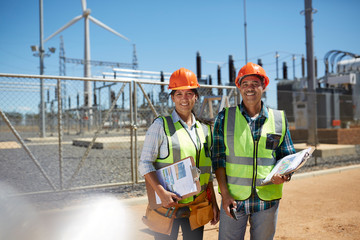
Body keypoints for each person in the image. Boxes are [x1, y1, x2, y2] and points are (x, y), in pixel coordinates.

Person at [212, 62, 296, 240]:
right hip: (234, 200)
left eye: (255, 84)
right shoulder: (225, 117)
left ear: (264, 86)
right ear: (239, 87)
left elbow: (288, 156)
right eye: (245, 84)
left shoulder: (279, 119)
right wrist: (225, 195)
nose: (250, 88)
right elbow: (218, 159)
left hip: (267, 200)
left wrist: (285, 175)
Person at [139, 67, 220, 240]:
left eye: (189, 93)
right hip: (168, 206)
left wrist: (213, 202)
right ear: (172, 97)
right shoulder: (160, 126)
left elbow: (207, 172)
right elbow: (144, 163)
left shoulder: (204, 130)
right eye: (179, 94)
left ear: (196, 96)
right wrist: (161, 192)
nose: (184, 99)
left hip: (196, 206)